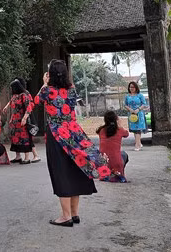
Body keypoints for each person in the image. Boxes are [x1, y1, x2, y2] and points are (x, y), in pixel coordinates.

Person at [35, 59, 111, 227]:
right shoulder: (72, 90)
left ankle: (65, 216)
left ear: (51, 74)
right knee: (76, 169)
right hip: (74, 132)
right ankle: (75, 214)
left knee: (61, 172)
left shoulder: (47, 90)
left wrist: (44, 84)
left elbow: (36, 101)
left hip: (56, 133)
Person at [5, 78, 35, 163]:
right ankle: (18, 156)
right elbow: (11, 104)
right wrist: (6, 107)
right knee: (15, 138)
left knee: (24, 138)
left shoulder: (23, 95)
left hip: (22, 119)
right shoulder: (14, 96)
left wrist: (25, 118)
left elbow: (28, 107)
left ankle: (27, 157)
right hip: (14, 120)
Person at [96, 111, 129, 181]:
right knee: (124, 154)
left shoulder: (101, 130)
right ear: (116, 119)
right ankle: (119, 172)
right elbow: (126, 134)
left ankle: (105, 174)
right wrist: (120, 125)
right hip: (116, 161)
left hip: (103, 161)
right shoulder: (119, 130)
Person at [124, 82, 148, 151]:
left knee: (138, 130)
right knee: (134, 130)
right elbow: (125, 105)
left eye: (133, 87)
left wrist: (138, 109)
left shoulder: (140, 95)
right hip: (131, 115)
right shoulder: (127, 96)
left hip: (139, 114)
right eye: (130, 87)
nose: (131, 88)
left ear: (136, 88)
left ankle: (137, 145)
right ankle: (139, 142)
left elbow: (144, 104)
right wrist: (130, 109)